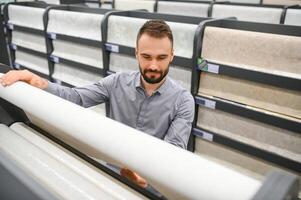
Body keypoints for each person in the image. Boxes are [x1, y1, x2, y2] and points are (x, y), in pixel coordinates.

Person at [0, 19, 194, 189]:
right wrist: (36, 81)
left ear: (172, 56)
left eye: (161, 58)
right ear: (136, 53)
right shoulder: (116, 82)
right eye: (146, 56)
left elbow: (173, 153)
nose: (153, 65)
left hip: (152, 188)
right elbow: (74, 98)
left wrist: (148, 179)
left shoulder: (183, 101)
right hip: (108, 178)